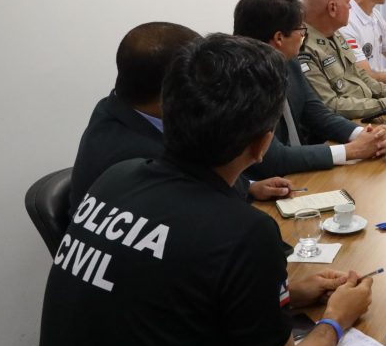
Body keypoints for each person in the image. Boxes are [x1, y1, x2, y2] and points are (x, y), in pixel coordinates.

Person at [24, 34, 375, 346]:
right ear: (262, 145)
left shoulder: (115, 177)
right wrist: (336, 320)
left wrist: (286, 295)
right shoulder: (244, 234)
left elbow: (170, 288)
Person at [68, 22, 294, 211]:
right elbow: (204, 202)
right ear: (173, 88)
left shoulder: (115, 107)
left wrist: (250, 186)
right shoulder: (142, 157)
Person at [233, 0, 386, 175]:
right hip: (268, 180)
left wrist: (362, 134)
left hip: (300, 171)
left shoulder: (289, 61)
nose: (304, 35)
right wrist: (351, 151)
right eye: (301, 29)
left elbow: (316, 111)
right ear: (279, 38)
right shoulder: (242, 82)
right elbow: (272, 157)